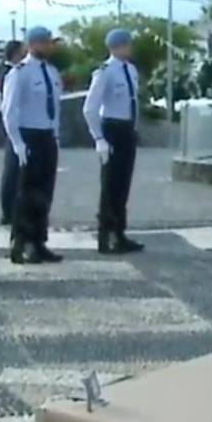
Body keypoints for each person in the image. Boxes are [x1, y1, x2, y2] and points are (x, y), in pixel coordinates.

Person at [3, 26, 64, 264]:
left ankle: (39, 241)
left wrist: (55, 136)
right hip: (28, 136)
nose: (49, 47)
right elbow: (9, 111)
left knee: (44, 193)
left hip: (47, 136)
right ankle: (21, 244)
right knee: (25, 194)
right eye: (45, 43)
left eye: (49, 42)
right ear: (33, 45)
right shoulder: (20, 73)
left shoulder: (51, 72)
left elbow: (55, 108)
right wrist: (17, 142)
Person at [84, 28, 145, 254]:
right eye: (127, 44)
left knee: (123, 185)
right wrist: (98, 137)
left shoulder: (130, 70)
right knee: (110, 186)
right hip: (112, 128)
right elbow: (90, 108)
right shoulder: (105, 72)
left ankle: (119, 232)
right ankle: (105, 236)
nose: (130, 48)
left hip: (128, 130)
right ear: (117, 46)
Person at [0, 40, 26, 225]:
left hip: (15, 124)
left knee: (15, 171)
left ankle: (13, 208)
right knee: (12, 171)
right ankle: (8, 211)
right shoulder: (10, 73)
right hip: (14, 125)